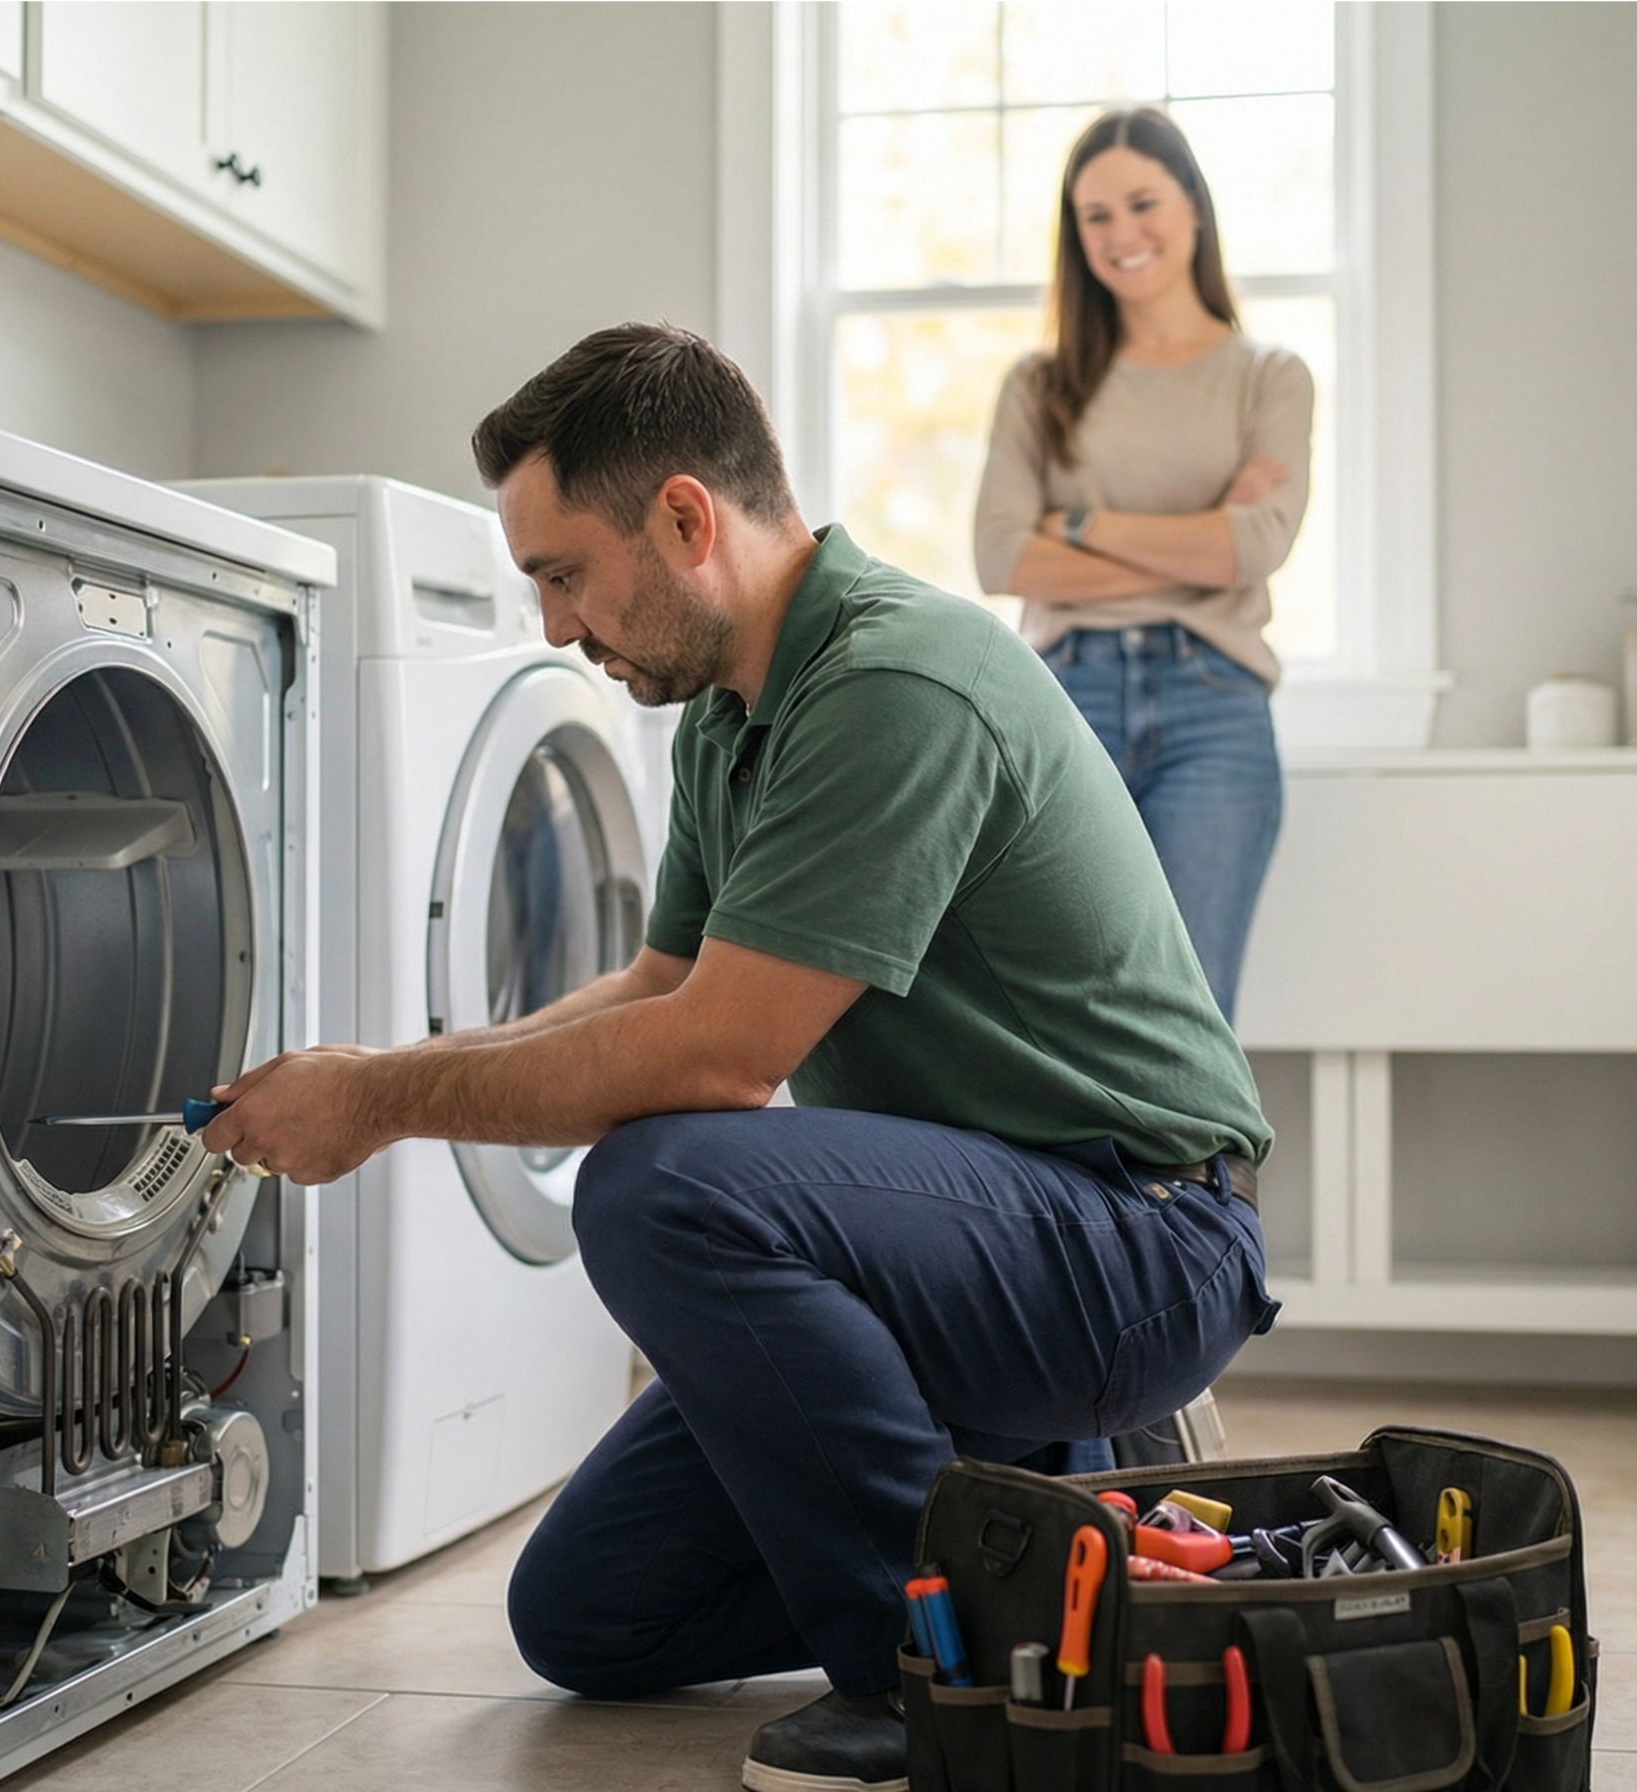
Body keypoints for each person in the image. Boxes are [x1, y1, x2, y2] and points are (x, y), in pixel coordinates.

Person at [200, 323, 1277, 1792]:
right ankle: (1042, 1511)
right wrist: (377, 1066)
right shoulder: (728, 718)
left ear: (686, 520)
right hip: (981, 1244)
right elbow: (659, 983)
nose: (555, 627)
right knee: (586, 1614)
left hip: (1140, 1236)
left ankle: (933, 1675)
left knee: (660, 1186)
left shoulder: (897, 683)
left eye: (562, 573)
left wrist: (378, 1109)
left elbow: (717, 1060)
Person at [974, 106, 1313, 1022]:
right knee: (1063, 1014)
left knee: (1189, 1023)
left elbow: (1254, 546)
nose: (1121, 233)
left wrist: (1077, 521)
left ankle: (1185, 1179)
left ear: (1193, 208)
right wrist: (1199, 542)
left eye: (1141, 203)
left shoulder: (1267, 375)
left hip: (1216, 712)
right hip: (1063, 705)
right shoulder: (1039, 385)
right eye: (1095, 215)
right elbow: (1002, 555)